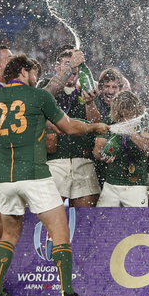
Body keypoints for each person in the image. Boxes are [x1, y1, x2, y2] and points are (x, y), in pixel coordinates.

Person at [0, 54, 109, 296]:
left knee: (8, 235)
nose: (36, 77)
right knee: (60, 231)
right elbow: (70, 127)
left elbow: (26, 123)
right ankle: (67, 294)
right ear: (24, 71)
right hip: (34, 174)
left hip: (5, 177)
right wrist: (93, 127)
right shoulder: (39, 96)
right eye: (34, 72)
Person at [43, 47, 102, 208]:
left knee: (85, 219)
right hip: (55, 161)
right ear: (58, 68)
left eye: (76, 64)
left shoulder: (89, 87)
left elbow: (97, 124)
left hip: (83, 161)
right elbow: (41, 104)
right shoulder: (46, 85)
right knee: (50, 215)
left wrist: (90, 103)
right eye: (68, 63)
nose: (73, 67)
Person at [94, 91, 149, 207]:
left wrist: (130, 132)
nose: (125, 118)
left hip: (136, 184)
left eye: (129, 113)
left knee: (137, 218)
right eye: (122, 114)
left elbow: (148, 146)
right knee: (103, 217)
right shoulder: (109, 121)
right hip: (111, 183)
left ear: (136, 110)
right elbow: (97, 150)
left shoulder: (145, 121)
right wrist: (103, 155)